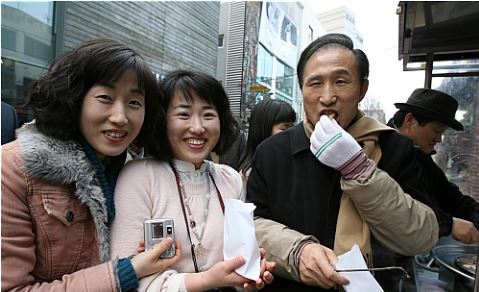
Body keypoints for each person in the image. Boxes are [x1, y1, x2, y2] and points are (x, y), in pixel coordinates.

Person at [246, 33, 439, 291]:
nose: (327, 97)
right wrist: (296, 252)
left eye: (340, 82)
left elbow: (421, 236)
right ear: (301, 89)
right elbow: (252, 224)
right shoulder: (272, 151)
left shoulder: (394, 147)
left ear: (362, 89)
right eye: (315, 83)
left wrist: (357, 168)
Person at [1, 38, 180, 291]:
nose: (120, 117)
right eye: (105, 97)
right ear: (74, 98)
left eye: (134, 103)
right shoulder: (13, 167)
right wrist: (128, 271)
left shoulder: (136, 172)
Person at [110, 69, 275, 291]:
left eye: (208, 114)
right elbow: (127, 278)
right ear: (162, 121)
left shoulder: (230, 178)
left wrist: (247, 275)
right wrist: (209, 280)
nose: (198, 128)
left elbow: (235, 260)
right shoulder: (138, 177)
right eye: (183, 115)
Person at [389, 88, 479, 243]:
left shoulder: (419, 153)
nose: (439, 139)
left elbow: (447, 195)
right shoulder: (385, 152)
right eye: (437, 131)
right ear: (410, 121)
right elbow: (399, 208)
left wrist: (474, 211)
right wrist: (449, 224)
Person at [239, 98, 296, 183]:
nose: (292, 133)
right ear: (264, 130)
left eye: (293, 127)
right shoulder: (248, 176)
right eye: (284, 128)